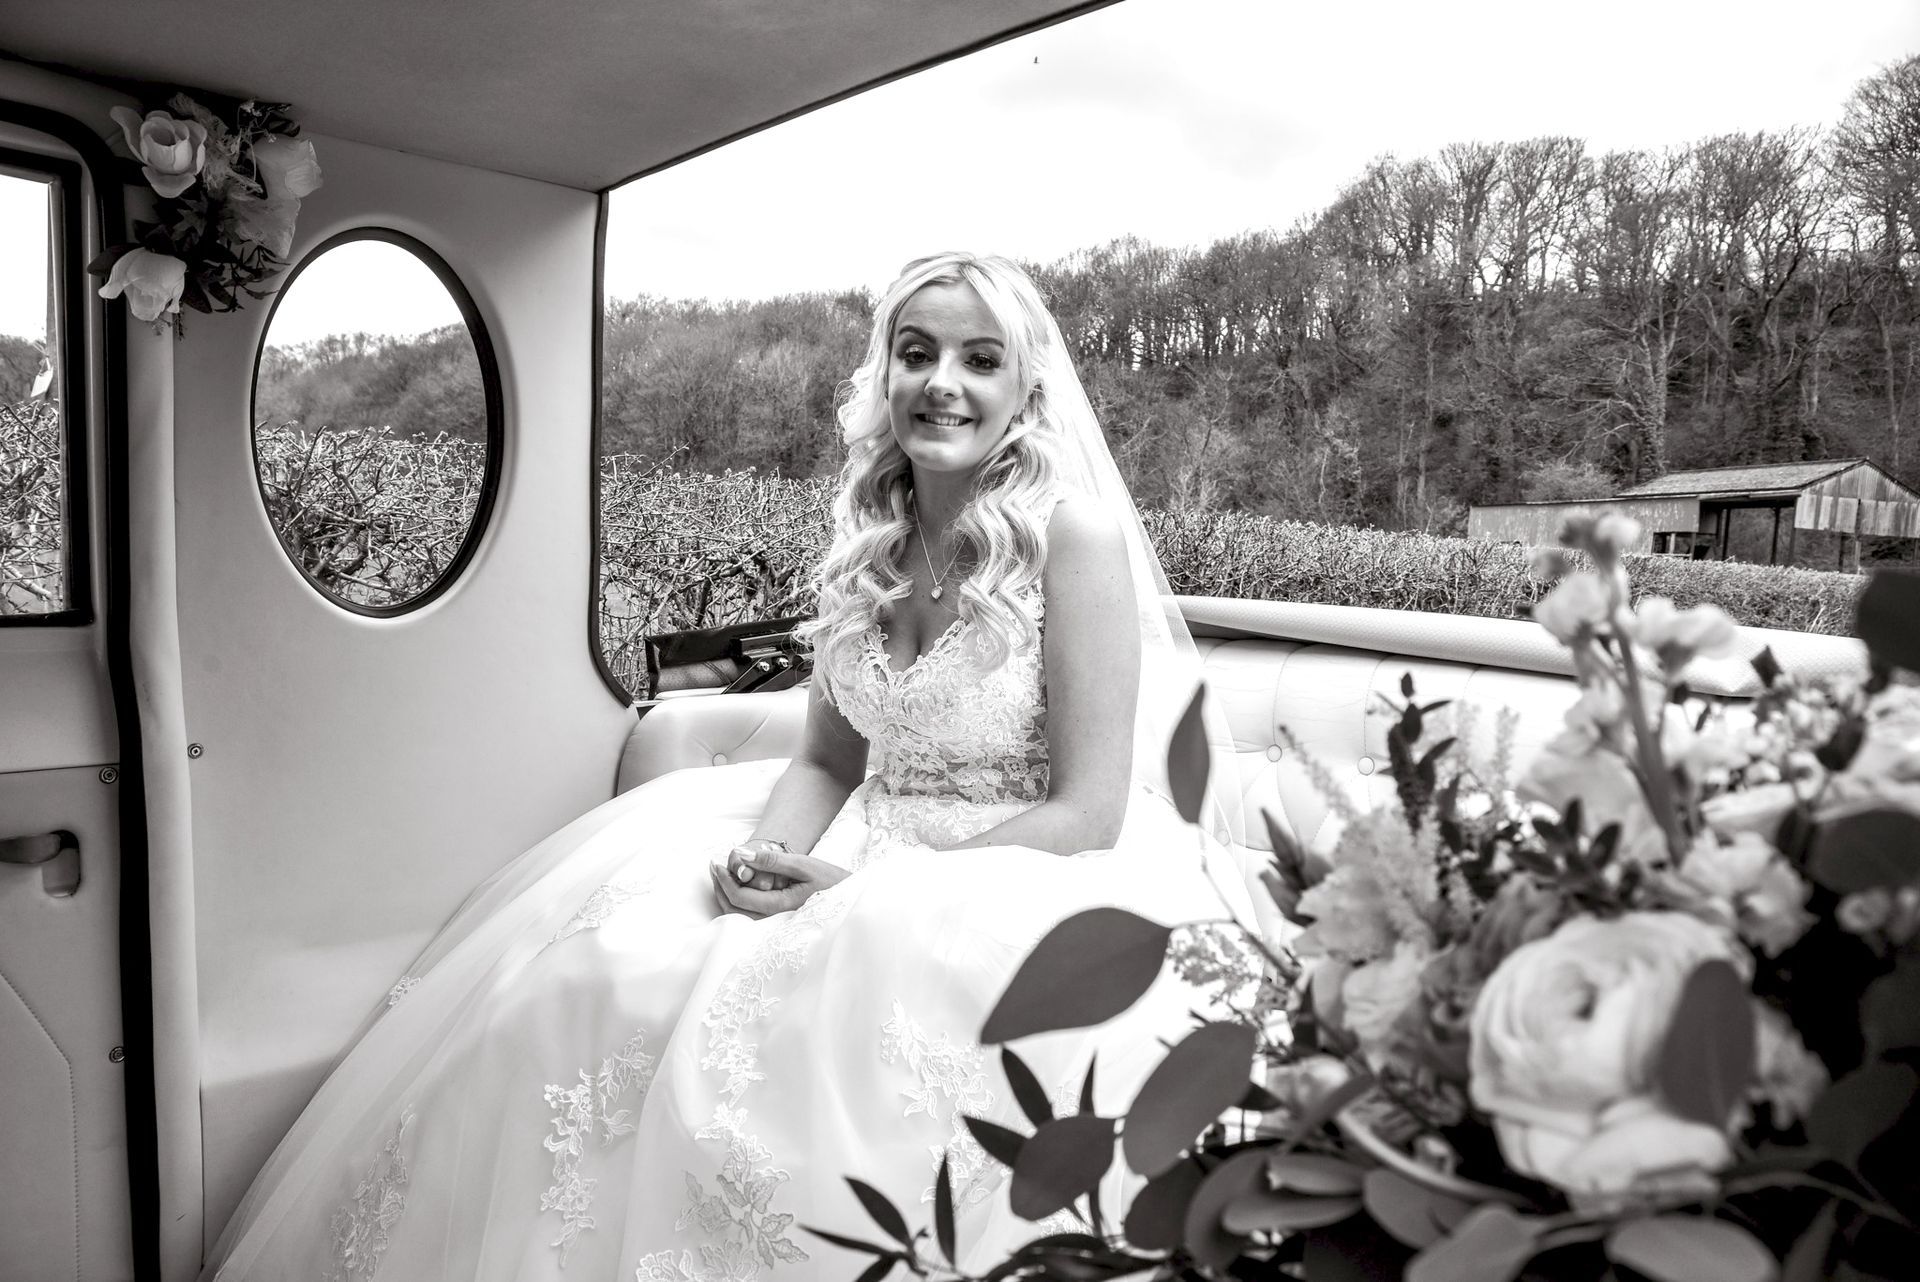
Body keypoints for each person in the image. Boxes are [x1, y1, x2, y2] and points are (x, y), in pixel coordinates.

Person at [203, 252, 1259, 1282]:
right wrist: (769, 853)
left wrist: (871, 894)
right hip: (859, 838)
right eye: (917, 352)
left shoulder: (1070, 536)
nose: (943, 383)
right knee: (605, 966)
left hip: (1014, 870)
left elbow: (1088, 810)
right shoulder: (869, 541)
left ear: (1027, 385)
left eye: (980, 359)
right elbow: (827, 757)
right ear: (883, 373)